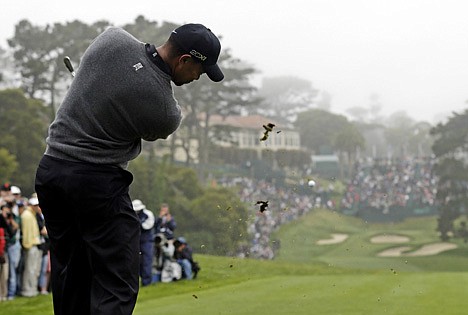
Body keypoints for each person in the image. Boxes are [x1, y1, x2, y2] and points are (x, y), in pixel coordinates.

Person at [35, 23, 224, 315]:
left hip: (50, 172)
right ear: (184, 60)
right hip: (95, 181)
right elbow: (151, 126)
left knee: (72, 270)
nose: (199, 77)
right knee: (118, 279)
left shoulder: (112, 38)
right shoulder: (166, 110)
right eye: (200, 69)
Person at [20, 197, 41, 297]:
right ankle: (27, 290)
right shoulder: (27, 215)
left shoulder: (32, 215)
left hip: (34, 244)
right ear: (32, 206)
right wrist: (28, 245)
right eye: (36, 205)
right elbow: (27, 233)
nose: (38, 207)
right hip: (30, 245)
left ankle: (32, 289)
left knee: (33, 269)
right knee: (30, 269)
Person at [131, 199, 154, 287]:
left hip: (146, 241)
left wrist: (138, 222)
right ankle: (136, 282)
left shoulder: (148, 214)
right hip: (135, 241)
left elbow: (147, 226)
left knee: (146, 261)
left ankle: (146, 282)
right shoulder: (132, 214)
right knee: (136, 262)